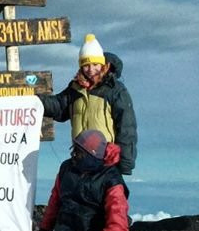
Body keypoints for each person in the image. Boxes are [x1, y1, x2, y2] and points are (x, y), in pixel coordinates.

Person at [37, 34, 137, 175]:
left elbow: (127, 128)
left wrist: (125, 164)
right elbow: (58, 106)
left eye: (95, 64)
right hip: (80, 160)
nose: (91, 70)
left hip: (105, 162)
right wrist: (33, 101)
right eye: (86, 65)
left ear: (102, 64)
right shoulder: (75, 88)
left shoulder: (115, 90)